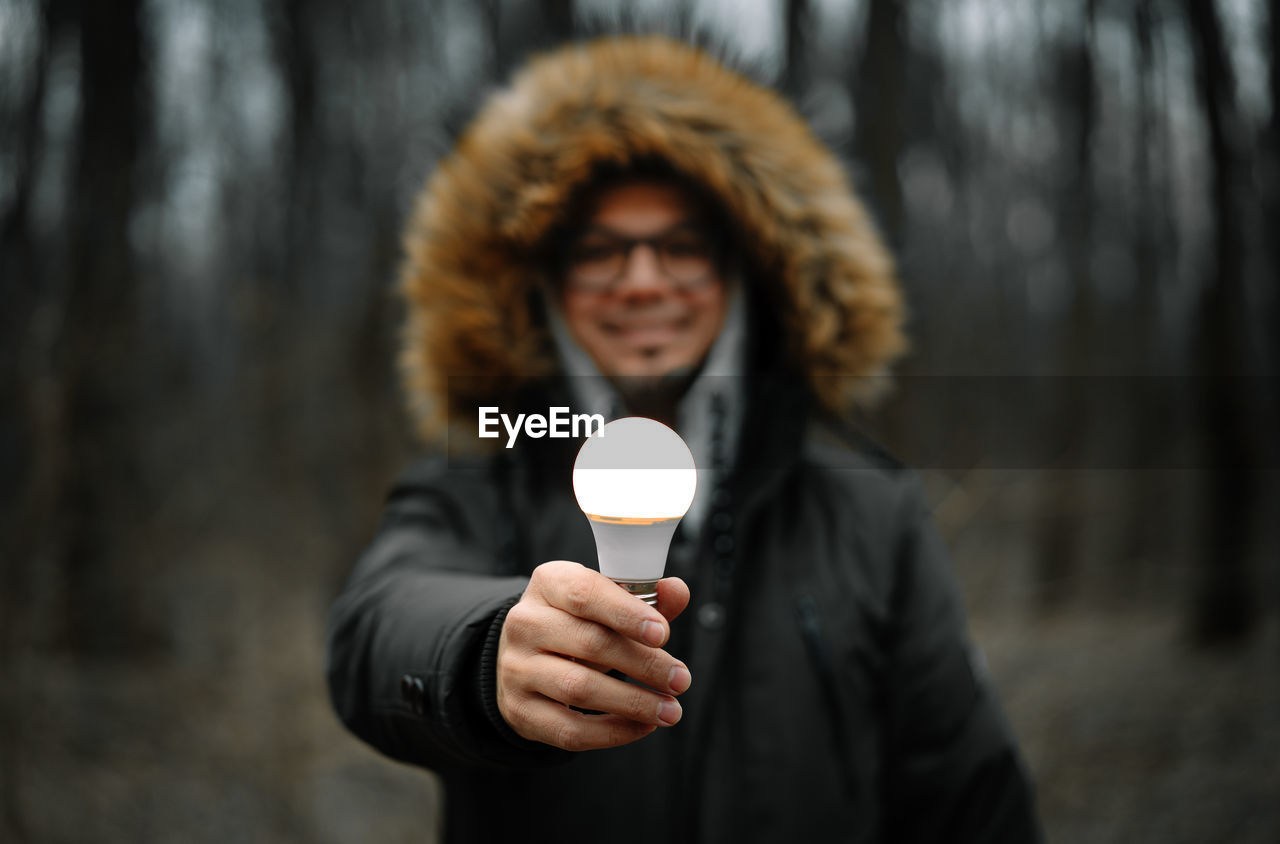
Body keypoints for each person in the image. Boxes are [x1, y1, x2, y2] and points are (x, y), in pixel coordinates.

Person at [326, 36, 1041, 843]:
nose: (641, 280)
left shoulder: (871, 514)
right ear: (544, 285)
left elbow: (966, 794)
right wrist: (487, 652)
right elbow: (375, 629)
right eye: (598, 251)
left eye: (682, 246)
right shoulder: (476, 487)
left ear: (748, 273)